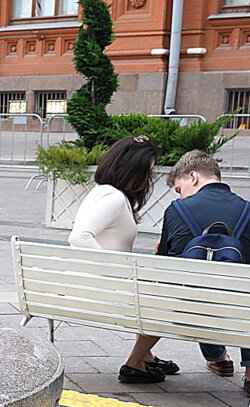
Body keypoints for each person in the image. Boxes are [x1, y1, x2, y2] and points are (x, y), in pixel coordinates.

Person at [67, 136, 178, 385]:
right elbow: (79, 237)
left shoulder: (105, 193)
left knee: (154, 289)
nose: (147, 180)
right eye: (146, 173)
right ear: (130, 169)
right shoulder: (113, 198)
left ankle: (145, 355)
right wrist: (115, 270)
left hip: (97, 283)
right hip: (104, 288)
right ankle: (135, 363)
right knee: (165, 300)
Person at [158, 150, 250, 397]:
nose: (180, 195)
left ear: (193, 177)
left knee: (198, 288)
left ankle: (218, 356)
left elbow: (164, 262)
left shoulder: (177, 210)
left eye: (179, 188)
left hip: (190, 307)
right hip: (239, 305)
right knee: (247, 292)